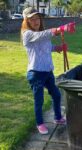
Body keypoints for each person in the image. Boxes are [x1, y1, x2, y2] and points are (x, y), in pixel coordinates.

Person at [21, 7, 66, 135]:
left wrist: (58, 48)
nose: (36, 21)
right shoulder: (27, 34)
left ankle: (57, 118)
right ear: (27, 21)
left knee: (57, 95)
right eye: (32, 19)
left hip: (47, 71)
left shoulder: (42, 34)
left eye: (38, 18)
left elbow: (46, 46)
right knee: (39, 100)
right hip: (35, 73)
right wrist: (58, 30)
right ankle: (40, 123)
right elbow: (42, 35)